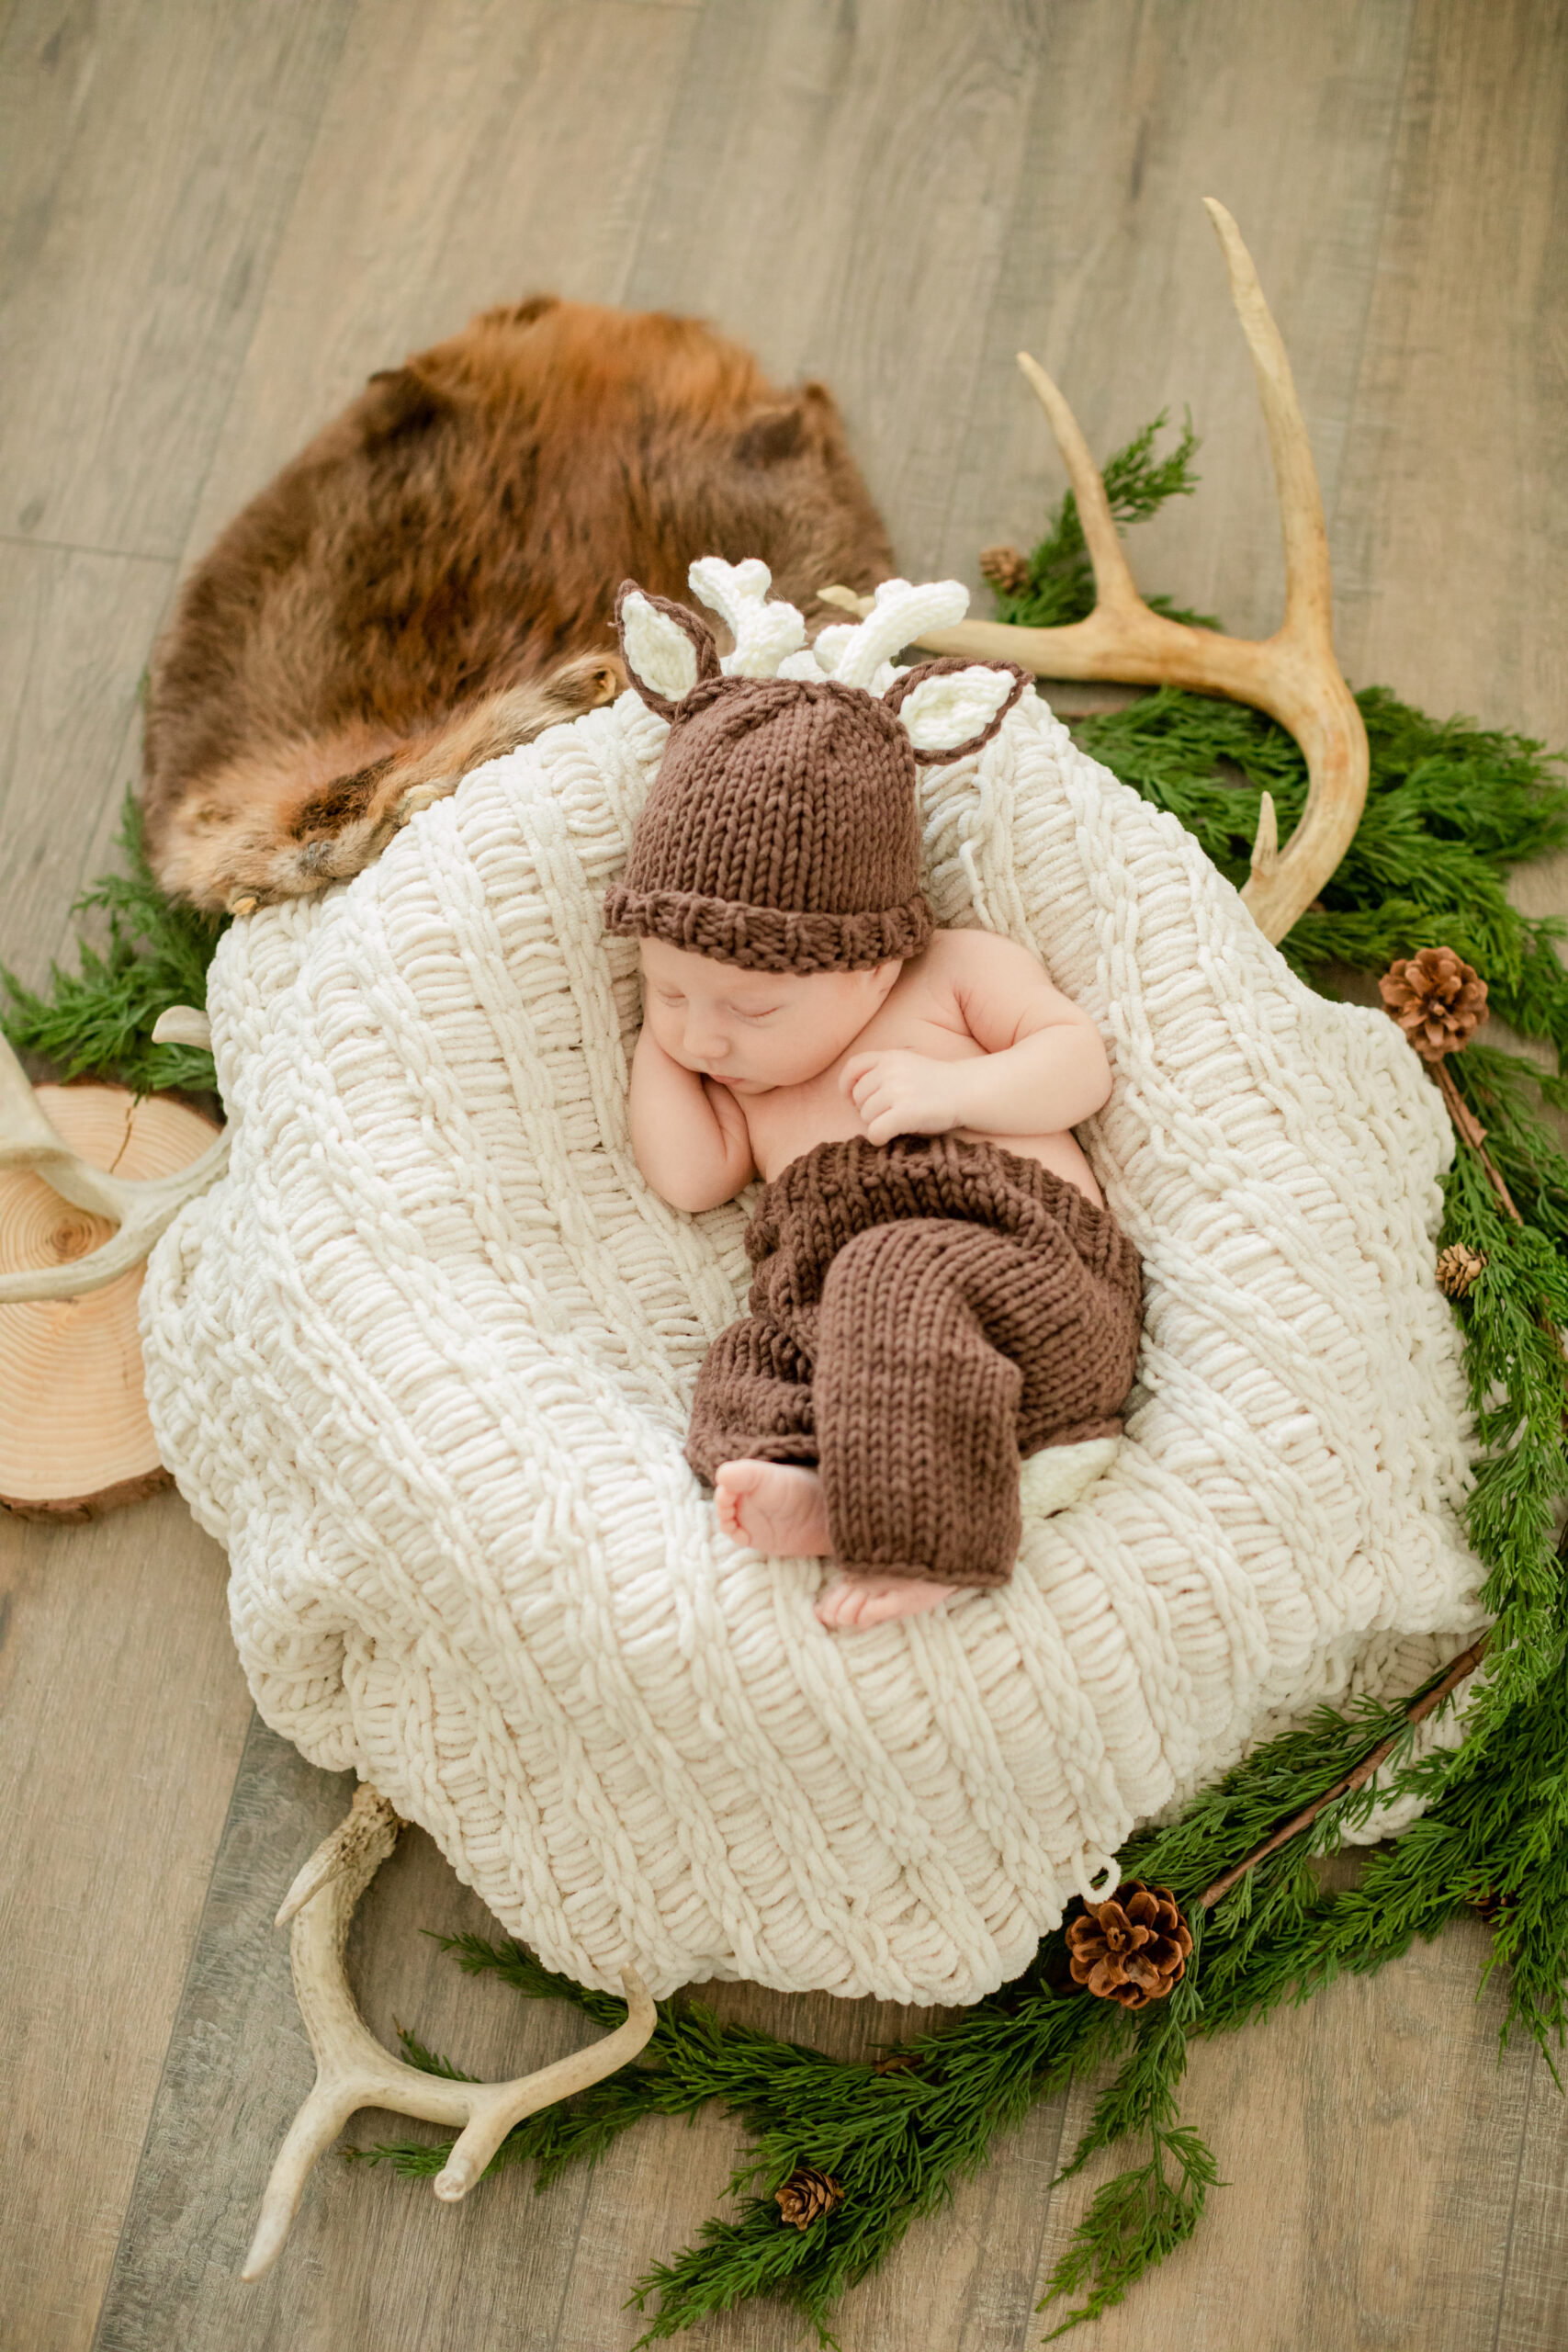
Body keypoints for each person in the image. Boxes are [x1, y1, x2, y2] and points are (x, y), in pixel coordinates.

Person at [606, 584, 1143, 1628]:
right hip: (844, 1327)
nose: (707, 1035)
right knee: (745, 1373)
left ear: (871, 960)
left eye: (749, 1005)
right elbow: (686, 1177)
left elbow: (1080, 1064)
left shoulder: (949, 975)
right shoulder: (737, 1076)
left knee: (894, 1269)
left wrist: (959, 1090)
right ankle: (836, 1497)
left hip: (1026, 1275)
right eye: (672, 989)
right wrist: (658, 1036)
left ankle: (937, 1540)